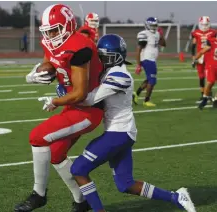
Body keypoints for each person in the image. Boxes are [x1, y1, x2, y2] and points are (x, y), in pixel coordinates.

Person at [65, 34, 195, 212]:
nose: (102, 60)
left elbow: (89, 99)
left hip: (118, 133)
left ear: (117, 56)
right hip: (121, 132)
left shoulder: (119, 74)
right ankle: (177, 197)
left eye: (105, 57)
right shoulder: (110, 72)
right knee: (126, 184)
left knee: (78, 169)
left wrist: (64, 96)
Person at [14, 4, 103, 212]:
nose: (51, 35)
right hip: (73, 106)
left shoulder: (81, 46)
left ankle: (39, 194)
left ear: (68, 25)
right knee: (55, 154)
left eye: (55, 30)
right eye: (48, 31)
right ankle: (82, 201)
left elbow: (80, 92)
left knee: (37, 137)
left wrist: (55, 101)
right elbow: (51, 63)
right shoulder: (51, 41)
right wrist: (36, 74)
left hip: (88, 109)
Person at [133, 17, 166, 107]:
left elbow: (164, 44)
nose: (154, 27)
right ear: (147, 25)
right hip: (147, 59)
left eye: (155, 25)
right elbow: (138, 50)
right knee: (152, 81)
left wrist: (161, 35)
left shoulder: (157, 34)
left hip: (152, 60)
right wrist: (138, 65)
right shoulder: (144, 34)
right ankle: (146, 100)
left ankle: (136, 93)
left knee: (150, 79)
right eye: (152, 25)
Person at [191, 16, 216, 102]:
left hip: (209, 56)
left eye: (206, 24)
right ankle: (203, 95)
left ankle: (209, 93)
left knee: (210, 77)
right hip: (200, 55)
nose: (204, 26)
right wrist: (193, 57)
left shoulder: (213, 32)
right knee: (201, 76)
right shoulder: (196, 33)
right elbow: (193, 45)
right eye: (203, 24)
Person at [193, 36, 217, 109]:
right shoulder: (211, 41)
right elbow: (202, 51)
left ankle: (216, 100)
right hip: (211, 65)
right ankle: (205, 98)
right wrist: (195, 59)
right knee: (210, 82)